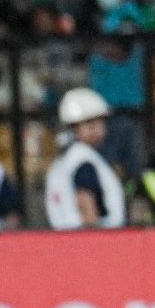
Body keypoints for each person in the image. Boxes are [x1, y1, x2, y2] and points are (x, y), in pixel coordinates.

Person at [45, 87, 128, 230]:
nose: (98, 129)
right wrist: (92, 234)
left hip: (68, 239)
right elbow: (85, 200)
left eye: (100, 122)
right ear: (72, 129)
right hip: (94, 238)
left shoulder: (63, 161)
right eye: (90, 124)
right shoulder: (83, 159)